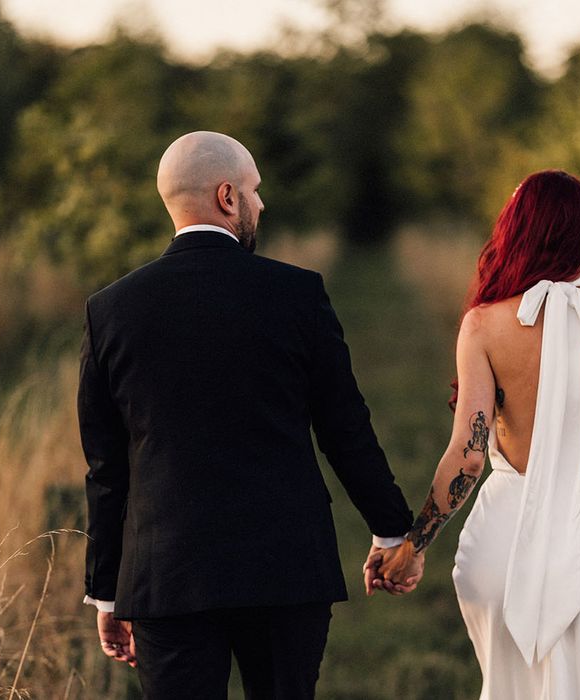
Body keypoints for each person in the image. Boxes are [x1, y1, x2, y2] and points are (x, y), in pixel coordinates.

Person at [78, 130, 413, 699]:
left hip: (166, 577)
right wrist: (390, 531)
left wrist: (106, 591)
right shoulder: (297, 295)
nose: (263, 203)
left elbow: (107, 467)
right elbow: (344, 427)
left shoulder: (111, 310)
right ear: (227, 196)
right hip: (285, 570)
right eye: (256, 190)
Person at [366, 170, 580, 699]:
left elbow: (468, 457)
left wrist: (413, 546)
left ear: (519, 229)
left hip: (502, 545)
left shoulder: (485, 326)